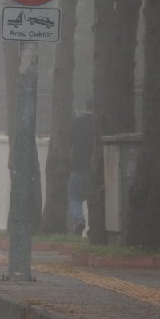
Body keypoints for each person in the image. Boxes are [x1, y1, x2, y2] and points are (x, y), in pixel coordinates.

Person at [69, 100, 95, 235]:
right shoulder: (99, 124)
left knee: (74, 197)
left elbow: (69, 139)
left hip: (78, 166)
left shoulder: (77, 122)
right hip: (95, 167)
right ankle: (96, 227)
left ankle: (79, 220)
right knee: (94, 197)